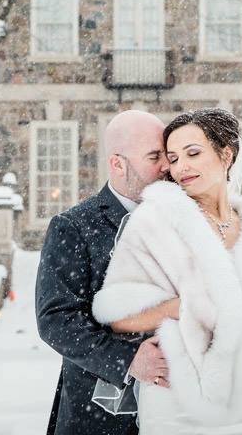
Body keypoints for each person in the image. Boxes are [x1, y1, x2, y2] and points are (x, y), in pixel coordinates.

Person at [92, 108, 242, 433]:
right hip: (177, 401)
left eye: (193, 153)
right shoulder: (155, 221)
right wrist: (188, 306)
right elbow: (117, 315)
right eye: (173, 158)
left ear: (226, 154)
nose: (181, 167)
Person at [35, 110, 172, 435]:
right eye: (154, 156)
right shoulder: (73, 227)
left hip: (173, 411)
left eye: (166, 155)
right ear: (118, 164)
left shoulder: (180, 219)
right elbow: (56, 320)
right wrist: (128, 360)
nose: (166, 166)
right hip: (99, 418)